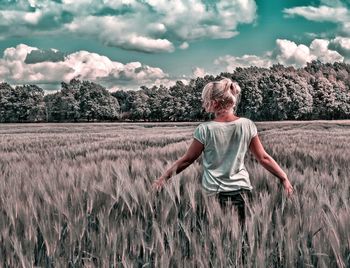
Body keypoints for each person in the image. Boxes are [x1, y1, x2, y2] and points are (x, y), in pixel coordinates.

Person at [152, 77, 294, 264]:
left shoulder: (205, 130)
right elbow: (263, 158)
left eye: (205, 100)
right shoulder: (247, 125)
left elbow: (187, 160)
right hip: (241, 193)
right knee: (242, 241)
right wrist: (283, 178)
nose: (203, 104)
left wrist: (163, 179)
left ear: (215, 103)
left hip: (214, 195)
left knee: (216, 242)